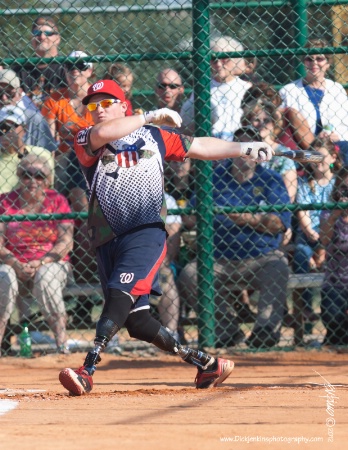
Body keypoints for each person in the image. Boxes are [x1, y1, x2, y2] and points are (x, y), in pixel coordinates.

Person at [58, 79, 273, 395]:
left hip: (144, 233)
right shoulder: (87, 138)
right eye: (93, 106)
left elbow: (199, 145)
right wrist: (151, 113)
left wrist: (243, 147)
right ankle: (205, 362)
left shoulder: (154, 137)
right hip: (106, 241)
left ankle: (88, 368)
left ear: (123, 105)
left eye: (107, 103)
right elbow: (105, 133)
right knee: (138, 322)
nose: (99, 110)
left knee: (119, 295)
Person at [177, 126, 291, 349]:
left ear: (260, 153)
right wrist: (206, 209)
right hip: (217, 258)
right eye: (241, 148)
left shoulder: (271, 179)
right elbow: (189, 220)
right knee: (190, 274)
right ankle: (227, 331)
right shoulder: (213, 178)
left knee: (279, 265)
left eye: (251, 149)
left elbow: (278, 224)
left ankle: (264, 332)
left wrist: (242, 218)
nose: (244, 155)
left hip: (261, 256)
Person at [41, 51, 97, 324]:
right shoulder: (56, 99)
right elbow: (51, 144)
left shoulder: (99, 100)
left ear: (90, 71)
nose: (74, 70)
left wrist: (72, 134)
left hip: (97, 164)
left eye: (80, 66)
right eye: (69, 66)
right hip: (66, 165)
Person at [0, 154, 74, 355]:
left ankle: (61, 344)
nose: (32, 181)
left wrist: (41, 262)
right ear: (18, 176)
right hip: (11, 263)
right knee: (4, 275)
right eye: (26, 175)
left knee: (46, 275)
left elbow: (66, 242)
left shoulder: (57, 200)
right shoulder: (5, 201)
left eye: (39, 176)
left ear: (48, 180)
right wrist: (16, 264)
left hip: (50, 262)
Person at [293, 137, 342, 322]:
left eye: (321, 156)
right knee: (300, 254)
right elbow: (303, 212)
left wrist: (325, 242)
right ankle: (306, 307)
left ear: (333, 158)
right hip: (309, 234)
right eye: (313, 157)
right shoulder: (305, 183)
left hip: (335, 235)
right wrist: (311, 232)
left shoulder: (339, 182)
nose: (318, 161)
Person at [279, 38, 348, 155]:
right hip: (302, 148)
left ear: (328, 63)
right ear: (303, 62)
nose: (314, 63)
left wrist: (335, 136)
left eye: (319, 59)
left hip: (336, 145)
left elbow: (345, 123)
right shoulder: (288, 91)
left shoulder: (337, 89)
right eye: (309, 59)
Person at [180, 35, 251, 140]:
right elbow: (186, 124)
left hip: (240, 144)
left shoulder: (247, 88)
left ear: (236, 59)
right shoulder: (201, 88)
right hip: (210, 145)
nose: (218, 63)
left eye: (224, 58)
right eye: (213, 58)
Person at [241, 101, 298, 204]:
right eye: (257, 120)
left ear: (273, 124)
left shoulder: (283, 154)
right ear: (248, 122)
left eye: (266, 120)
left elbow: (289, 195)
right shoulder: (242, 149)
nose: (262, 124)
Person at [319, 166, 348, 346]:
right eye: (344, 188)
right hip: (335, 282)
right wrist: (336, 214)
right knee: (332, 316)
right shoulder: (329, 213)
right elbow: (324, 240)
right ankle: (337, 339)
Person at [12, 16, 67, 109]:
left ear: (57, 38)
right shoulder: (20, 70)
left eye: (48, 33)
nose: (42, 37)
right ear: (31, 38)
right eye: (36, 33)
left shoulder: (67, 68)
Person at [241, 82, 315, 151]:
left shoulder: (291, 115)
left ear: (275, 101)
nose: (263, 106)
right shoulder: (249, 123)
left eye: (267, 102)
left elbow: (312, 150)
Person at [0, 105, 55, 194]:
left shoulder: (41, 154)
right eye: (2, 127)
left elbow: (47, 189)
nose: (8, 132)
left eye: (13, 126)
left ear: (24, 129)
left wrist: (20, 151)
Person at [0, 69, 57, 152]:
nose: (4, 98)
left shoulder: (34, 117)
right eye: (0, 93)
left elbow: (48, 153)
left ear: (20, 93)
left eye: (9, 93)